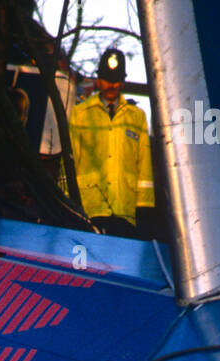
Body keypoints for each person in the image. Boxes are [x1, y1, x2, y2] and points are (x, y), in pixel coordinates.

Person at [68, 47, 155, 236]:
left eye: (116, 81)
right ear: (98, 80)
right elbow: (69, 161)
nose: (111, 85)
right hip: (88, 208)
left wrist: (145, 207)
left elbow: (145, 166)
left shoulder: (137, 117)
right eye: (107, 79)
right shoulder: (80, 114)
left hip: (124, 211)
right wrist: (68, 200)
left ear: (122, 82)